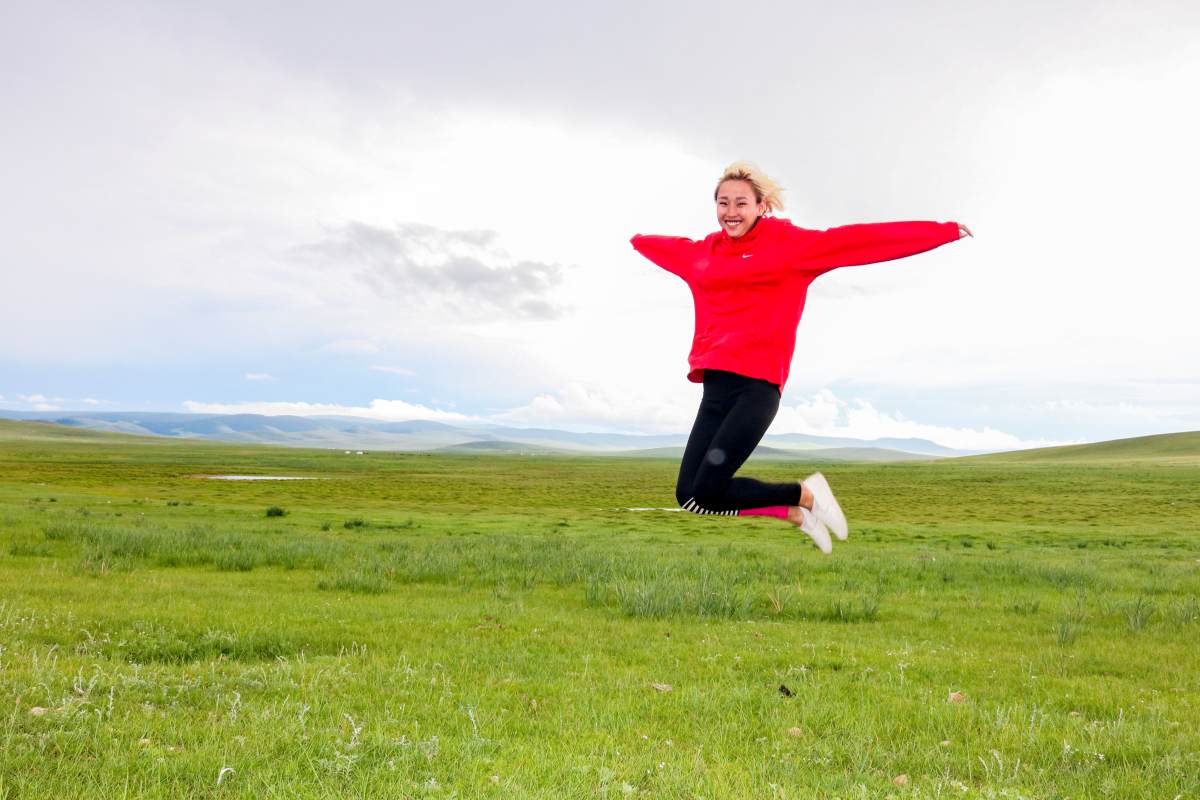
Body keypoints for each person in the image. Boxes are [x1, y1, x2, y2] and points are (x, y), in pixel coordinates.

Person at [631, 162, 972, 553]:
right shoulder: (703, 254)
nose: (730, 212)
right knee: (690, 497)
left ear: (762, 206)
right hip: (715, 388)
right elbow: (661, 246)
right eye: (722, 203)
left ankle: (805, 494)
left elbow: (855, 242)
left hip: (756, 387)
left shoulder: (787, 245)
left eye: (741, 203)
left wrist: (938, 232)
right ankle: (793, 512)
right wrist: (632, 238)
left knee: (709, 488)